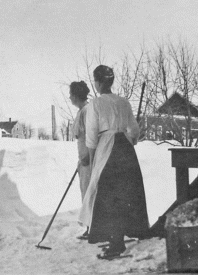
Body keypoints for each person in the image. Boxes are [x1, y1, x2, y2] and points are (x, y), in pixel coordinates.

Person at [81, 65, 149, 260]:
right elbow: (134, 131)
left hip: (107, 149)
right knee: (125, 194)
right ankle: (118, 237)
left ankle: (115, 241)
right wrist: (129, 141)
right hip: (125, 150)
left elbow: (92, 136)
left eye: (95, 81)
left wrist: (94, 160)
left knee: (108, 196)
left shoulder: (96, 103)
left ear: (99, 82)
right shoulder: (123, 102)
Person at [69, 81, 91, 240]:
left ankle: (92, 228)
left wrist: (87, 156)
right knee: (86, 192)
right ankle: (91, 227)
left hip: (89, 160)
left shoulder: (87, 111)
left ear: (76, 96)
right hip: (83, 160)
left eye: (71, 95)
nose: (70, 98)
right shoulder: (81, 111)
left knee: (90, 193)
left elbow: (92, 135)